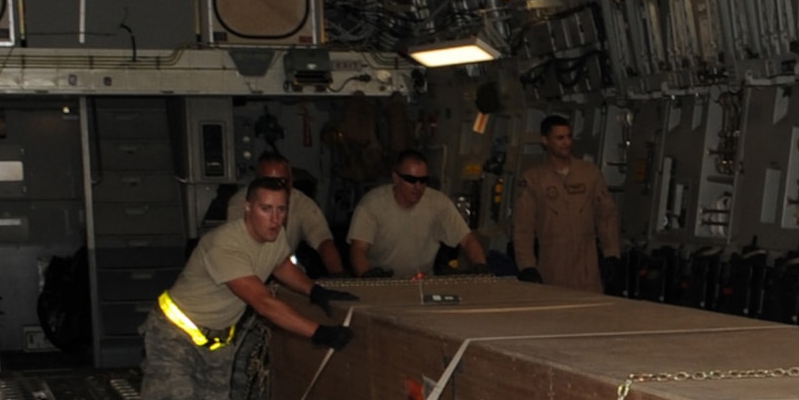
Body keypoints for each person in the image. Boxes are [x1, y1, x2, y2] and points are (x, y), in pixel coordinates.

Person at [138, 176, 356, 400]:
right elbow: (264, 302)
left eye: (281, 210)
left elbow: (280, 266)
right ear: (248, 209)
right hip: (173, 335)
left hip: (216, 341)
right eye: (266, 209)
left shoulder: (272, 238)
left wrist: (315, 290)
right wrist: (320, 333)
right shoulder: (225, 245)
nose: (275, 218)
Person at [512, 114, 619, 293]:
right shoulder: (534, 179)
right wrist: (527, 266)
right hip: (553, 267)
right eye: (560, 138)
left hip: (587, 268)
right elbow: (523, 228)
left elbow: (606, 216)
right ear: (545, 140)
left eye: (569, 136)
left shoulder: (589, 173)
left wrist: (612, 254)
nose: (566, 143)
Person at [347, 150, 487, 278]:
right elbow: (358, 250)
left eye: (423, 180)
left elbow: (468, 240)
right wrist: (367, 276)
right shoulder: (372, 205)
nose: (418, 187)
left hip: (421, 283)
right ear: (396, 177)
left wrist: (480, 266)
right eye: (411, 180)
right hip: (381, 281)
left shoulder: (438, 203)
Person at [255, 151, 344, 277]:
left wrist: (338, 278)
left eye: (281, 182)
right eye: (267, 182)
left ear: (291, 182)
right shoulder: (240, 206)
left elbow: (323, 241)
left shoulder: (301, 203)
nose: (274, 188)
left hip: (284, 271)